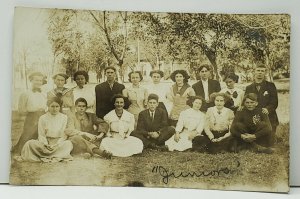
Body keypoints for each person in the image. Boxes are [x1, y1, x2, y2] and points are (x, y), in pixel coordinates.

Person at [20, 97, 73, 162]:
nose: (55, 109)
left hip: (58, 143)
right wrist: (45, 144)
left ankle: (51, 155)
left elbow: (64, 134)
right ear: (48, 106)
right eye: (52, 106)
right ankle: (54, 155)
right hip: (45, 143)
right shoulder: (43, 118)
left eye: (57, 106)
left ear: (60, 107)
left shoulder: (64, 117)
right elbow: (41, 134)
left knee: (68, 144)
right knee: (29, 143)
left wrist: (56, 144)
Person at [12, 72, 47, 155]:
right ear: (31, 80)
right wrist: (32, 113)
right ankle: (21, 151)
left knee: (42, 135)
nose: (38, 82)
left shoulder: (44, 94)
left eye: (40, 80)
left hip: (43, 116)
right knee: (28, 135)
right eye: (36, 80)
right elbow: (21, 110)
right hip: (31, 117)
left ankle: (38, 151)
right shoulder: (25, 94)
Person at [244, 64, 279, 146]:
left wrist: (267, 109)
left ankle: (271, 136)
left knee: (269, 143)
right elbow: (245, 102)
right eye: (258, 70)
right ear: (254, 72)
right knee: (256, 141)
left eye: (262, 71)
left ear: (265, 73)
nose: (260, 73)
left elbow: (274, 102)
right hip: (254, 116)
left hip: (269, 116)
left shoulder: (270, 85)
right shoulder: (249, 87)